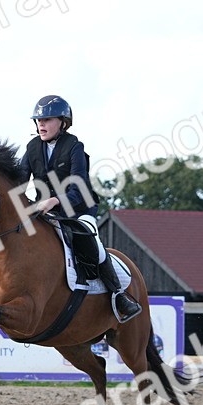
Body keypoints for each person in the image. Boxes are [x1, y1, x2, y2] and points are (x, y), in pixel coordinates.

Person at [22, 94, 141, 323]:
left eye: (47, 120)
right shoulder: (32, 147)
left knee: (91, 241)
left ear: (63, 122)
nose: (41, 125)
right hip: (45, 211)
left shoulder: (74, 146)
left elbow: (78, 188)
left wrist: (54, 201)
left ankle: (118, 294)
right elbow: (18, 180)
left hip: (77, 208)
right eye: (38, 120)